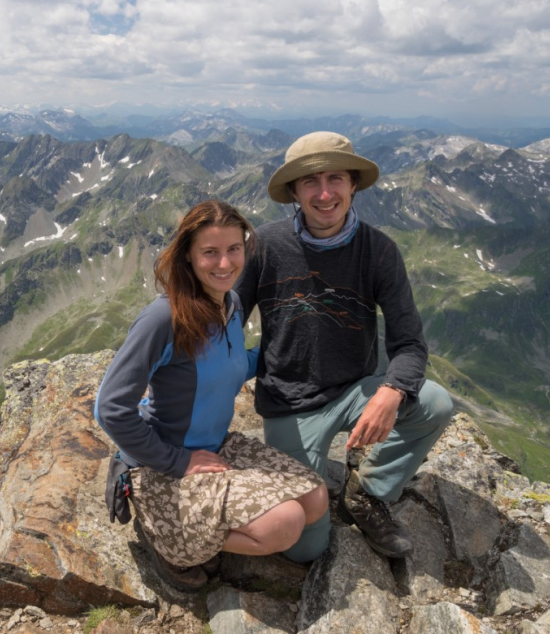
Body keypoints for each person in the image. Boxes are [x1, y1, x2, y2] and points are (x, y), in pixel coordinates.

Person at [234, 131, 454, 563]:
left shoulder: (379, 251)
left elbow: (410, 343)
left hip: (356, 391)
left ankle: (367, 492)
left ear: (353, 184)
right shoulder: (264, 246)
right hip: (290, 404)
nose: (324, 193)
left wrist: (391, 392)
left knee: (436, 404)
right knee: (305, 549)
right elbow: (226, 327)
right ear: (294, 192)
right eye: (310, 182)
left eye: (335, 178)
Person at [94, 200, 328, 591]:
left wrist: (290, 346)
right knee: (285, 524)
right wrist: (178, 461)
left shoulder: (231, 304)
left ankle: (197, 530)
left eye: (234, 249)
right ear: (187, 256)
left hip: (217, 447)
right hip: (163, 464)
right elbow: (110, 408)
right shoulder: (163, 318)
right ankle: (169, 542)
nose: (225, 263)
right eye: (210, 252)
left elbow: (229, 366)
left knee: (316, 498)